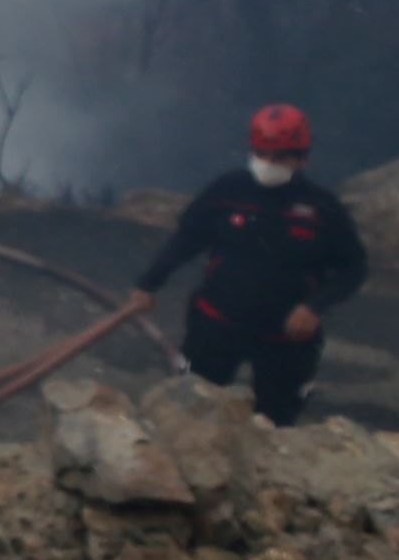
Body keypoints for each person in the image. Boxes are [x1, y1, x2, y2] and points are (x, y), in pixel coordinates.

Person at [129, 104, 370, 423]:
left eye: (279, 157)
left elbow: (354, 268)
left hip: (286, 342)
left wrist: (315, 307)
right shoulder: (227, 191)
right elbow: (187, 239)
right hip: (215, 326)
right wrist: (148, 283)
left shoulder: (321, 209)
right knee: (190, 413)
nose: (267, 163)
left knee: (276, 423)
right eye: (261, 153)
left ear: (302, 158)